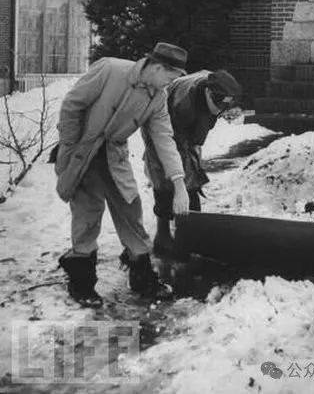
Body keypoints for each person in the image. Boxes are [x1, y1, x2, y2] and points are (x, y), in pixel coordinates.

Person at [55, 42, 190, 307]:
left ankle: (142, 277)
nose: (169, 84)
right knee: (87, 214)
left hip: (114, 156)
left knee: (131, 209)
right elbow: (72, 105)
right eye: (170, 77)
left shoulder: (157, 97)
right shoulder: (110, 70)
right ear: (158, 67)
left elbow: (164, 138)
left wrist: (179, 181)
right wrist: (70, 148)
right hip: (83, 153)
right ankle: (82, 282)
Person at [143, 69, 242, 256]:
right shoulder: (183, 104)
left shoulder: (220, 91)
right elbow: (171, 145)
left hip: (189, 130)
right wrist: (180, 182)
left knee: (192, 176)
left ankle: (189, 230)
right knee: (166, 177)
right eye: (219, 106)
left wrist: (229, 112)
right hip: (161, 129)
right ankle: (162, 234)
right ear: (207, 93)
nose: (222, 110)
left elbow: (223, 107)